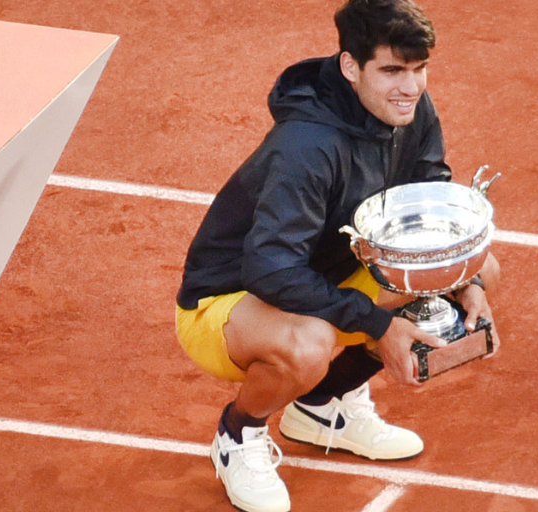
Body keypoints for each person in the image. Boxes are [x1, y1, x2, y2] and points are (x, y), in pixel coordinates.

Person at [175, 1, 501, 510]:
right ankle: (237, 435)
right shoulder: (306, 145)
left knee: (476, 268)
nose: (410, 87)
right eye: (392, 70)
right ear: (351, 66)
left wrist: (466, 283)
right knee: (308, 343)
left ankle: (322, 407)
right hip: (230, 299)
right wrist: (378, 325)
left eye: (419, 70)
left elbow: (427, 195)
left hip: (324, 271)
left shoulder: (409, 107)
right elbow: (271, 267)